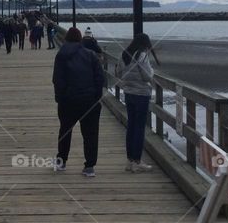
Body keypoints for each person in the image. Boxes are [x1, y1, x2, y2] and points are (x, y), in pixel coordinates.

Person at [52, 27, 105, 177]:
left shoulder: (61, 55)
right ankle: (89, 167)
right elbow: (99, 78)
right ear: (80, 39)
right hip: (89, 101)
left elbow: (57, 79)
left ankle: (61, 161)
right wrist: (97, 97)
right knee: (90, 134)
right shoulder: (91, 55)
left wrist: (59, 98)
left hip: (67, 101)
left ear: (66, 39)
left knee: (65, 131)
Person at [116, 33, 156, 172]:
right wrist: (153, 72)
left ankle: (130, 160)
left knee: (131, 127)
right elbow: (146, 76)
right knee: (139, 128)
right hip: (141, 94)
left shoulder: (124, 54)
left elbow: (119, 73)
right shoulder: (142, 55)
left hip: (129, 93)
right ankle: (137, 161)